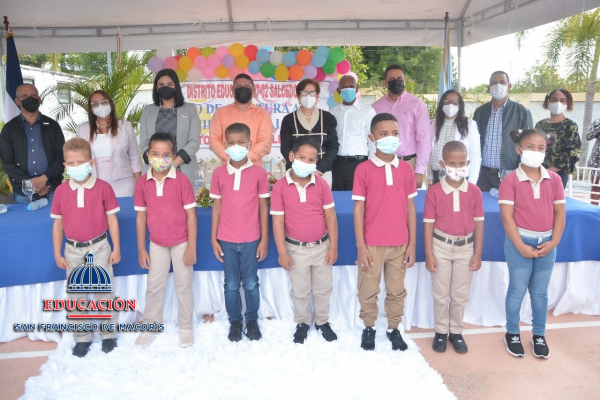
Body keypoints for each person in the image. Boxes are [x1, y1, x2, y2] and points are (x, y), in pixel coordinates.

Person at [50, 138, 121, 357]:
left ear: (91, 162)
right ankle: (81, 338)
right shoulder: (61, 191)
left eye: (80, 162)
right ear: (64, 165)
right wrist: (57, 252)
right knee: (76, 296)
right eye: (70, 163)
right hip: (72, 250)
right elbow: (58, 224)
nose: (75, 166)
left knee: (104, 292)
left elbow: (112, 219)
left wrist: (116, 248)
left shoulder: (104, 188)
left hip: (99, 247)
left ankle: (108, 334)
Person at [352, 113, 417, 352]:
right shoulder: (363, 169)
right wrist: (361, 246)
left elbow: (410, 207)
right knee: (368, 289)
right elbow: (358, 209)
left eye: (395, 133)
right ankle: (369, 326)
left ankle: (393, 328)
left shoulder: (406, 170)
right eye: (384, 134)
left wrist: (412, 244)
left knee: (396, 290)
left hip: (400, 243)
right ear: (372, 138)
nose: (391, 138)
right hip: (372, 244)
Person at [498, 129, 565, 359]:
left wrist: (554, 241)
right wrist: (520, 246)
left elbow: (560, 213)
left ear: (546, 151)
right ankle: (512, 333)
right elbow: (506, 217)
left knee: (540, 293)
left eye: (540, 148)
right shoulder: (510, 180)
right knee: (517, 290)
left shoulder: (555, 180)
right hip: (520, 243)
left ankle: (539, 335)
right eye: (530, 147)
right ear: (519, 149)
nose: (535, 152)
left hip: (547, 244)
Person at [271, 136, 339, 344]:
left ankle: (322, 321)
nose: (306, 162)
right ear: (292, 156)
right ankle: (302, 322)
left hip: (322, 247)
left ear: (317, 161)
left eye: (312, 160)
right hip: (295, 250)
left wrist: (333, 247)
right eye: (302, 157)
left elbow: (330, 217)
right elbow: (278, 221)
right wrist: (282, 252)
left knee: (323, 289)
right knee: (300, 290)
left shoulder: (322, 185)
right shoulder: (280, 187)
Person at [134, 132, 197, 349]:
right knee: (154, 285)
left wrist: (191, 247)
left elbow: (191, 216)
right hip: (157, 243)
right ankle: (150, 326)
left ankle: (186, 327)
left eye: (166, 155)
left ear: (173, 156)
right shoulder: (142, 183)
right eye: (155, 154)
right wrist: (141, 249)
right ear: (148, 154)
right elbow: (141, 217)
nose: (160, 159)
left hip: (181, 242)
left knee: (184, 284)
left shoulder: (182, 181)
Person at [209, 123, 269, 342]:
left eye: (241, 142)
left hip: (252, 239)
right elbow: (216, 207)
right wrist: (213, 239)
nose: (236, 146)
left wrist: (264, 240)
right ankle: (235, 321)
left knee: (251, 283)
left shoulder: (260, 173)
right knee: (231, 285)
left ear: (250, 144)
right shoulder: (218, 173)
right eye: (231, 143)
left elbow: (263, 208)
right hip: (226, 239)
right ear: (225, 145)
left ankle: (251, 320)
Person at [424, 141, 484, 354]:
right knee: (440, 293)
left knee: (460, 294)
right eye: (452, 163)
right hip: (440, 246)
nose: (457, 168)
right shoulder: (434, 192)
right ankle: (441, 331)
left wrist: (477, 253)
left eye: (461, 163)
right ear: (442, 164)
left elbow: (479, 223)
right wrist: (429, 253)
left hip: (465, 248)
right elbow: (428, 225)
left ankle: (456, 331)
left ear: (467, 163)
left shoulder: (475, 191)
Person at [0, 83, 64, 203]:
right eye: (24, 96)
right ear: (17, 101)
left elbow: (61, 156)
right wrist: (32, 183)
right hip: (23, 192)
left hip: (51, 187)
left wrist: (43, 179)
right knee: (25, 216)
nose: (30, 98)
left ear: (39, 100)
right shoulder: (9, 129)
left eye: (33, 96)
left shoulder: (53, 126)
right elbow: (7, 163)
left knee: (54, 216)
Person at [139, 69, 201, 191]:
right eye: (161, 85)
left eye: (169, 84)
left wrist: (172, 165)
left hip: (183, 170)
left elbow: (194, 142)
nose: (165, 87)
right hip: (154, 171)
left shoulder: (190, 109)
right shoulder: (148, 110)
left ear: (176, 86)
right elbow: (144, 142)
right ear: (156, 87)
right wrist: (158, 166)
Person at [371, 64, 431, 188]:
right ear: (385, 83)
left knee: (409, 199)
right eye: (391, 79)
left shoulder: (417, 105)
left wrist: (419, 171)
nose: (396, 82)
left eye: (399, 78)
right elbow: (372, 138)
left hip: (409, 163)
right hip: (382, 163)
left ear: (405, 80)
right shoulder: (376, 107)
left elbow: (424, 139)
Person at [473, 71, 533, 191]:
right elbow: (473, 141)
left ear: (509, 86)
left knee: (507, 202)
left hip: (509, 172)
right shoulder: (480, 112)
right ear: (489, 88)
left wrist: (521, 170)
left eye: (502, 82)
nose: (498, 86)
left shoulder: (522, 111)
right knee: (482, 202)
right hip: (482, 174)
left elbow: (528, 143)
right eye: (494, 83)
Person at [76, 90, 142, 197]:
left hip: (124, 183)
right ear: (91, 109)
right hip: (93, 183)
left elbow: (134, 156)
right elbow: (78, 159)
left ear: (110, 104)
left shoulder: (125, 126)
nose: (100, 106)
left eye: (104, 102)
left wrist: (139, 183)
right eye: (95, 104)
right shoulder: (82, 129)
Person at [280, 78, 339, 187]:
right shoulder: (288, 120)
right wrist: (300, 168)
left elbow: (333, 146)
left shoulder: (328, 118)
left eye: (312, 93)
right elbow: (285, 147)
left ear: (317, 96)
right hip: (296, 172)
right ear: (298, 96)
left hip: (322, 173)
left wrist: (319, 169)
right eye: (304, 93)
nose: (308, 96)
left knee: (322, 198)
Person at [209, 73, 272, 166]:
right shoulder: (220, 113)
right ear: (232, 90)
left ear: (253, 91)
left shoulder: (263, 114)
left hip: (253, 168)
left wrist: (245, 159)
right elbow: (214, 140)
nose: (243, 89)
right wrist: (230, 159)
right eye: (239, 87)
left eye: (247, 87)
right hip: (227, 167)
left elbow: (265, 143)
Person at [329, 74, 376, 191]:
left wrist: (371, 165)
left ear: (356, 89)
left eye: (351, 86)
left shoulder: (368, 111)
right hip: (337, 165)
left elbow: (373, 141)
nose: (348, 89)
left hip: (359, 164)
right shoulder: (333, 112)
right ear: (338, 91)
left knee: (358, 199)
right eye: (344, 87)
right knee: (337, 199)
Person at [429, 90, 481, 185]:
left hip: (459, 176)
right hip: (437, 174)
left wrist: (472, 183)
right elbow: (429, 151)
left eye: (454, 102)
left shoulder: (469, 125)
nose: (450, 105)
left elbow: (475, 155)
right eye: (446, 102)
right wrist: (430, 177)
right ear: (441, 104)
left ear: (460, 105)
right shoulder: (434, 123)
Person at [534, 88, 582, 189]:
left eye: (562, 100)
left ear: (567, 103)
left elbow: (568, 154)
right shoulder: (540, 124)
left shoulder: (570, 125)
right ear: (548, 101)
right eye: (554, 99)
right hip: (536, 171)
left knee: (552, 199)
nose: (558, 103)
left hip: (558, 174)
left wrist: (546, 173)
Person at [585, 118, 600, 205]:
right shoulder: (597, 122)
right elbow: (588, 136)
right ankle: (594, 209)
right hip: (596, 161)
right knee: (596, 185)